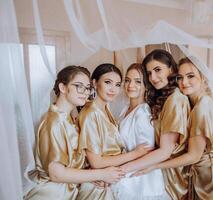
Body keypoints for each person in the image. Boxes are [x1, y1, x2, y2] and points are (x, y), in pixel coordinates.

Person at [134, 57, 213, 200]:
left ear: (203, 78)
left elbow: (194, 155)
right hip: (203, 176)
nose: (184, 82)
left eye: (191, 76)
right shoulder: (193, 102)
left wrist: (155, 165)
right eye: (180, 77)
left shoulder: (202, 109)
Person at [25, 66, 125, 200]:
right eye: (79, 86)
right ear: (63, 88)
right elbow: (56, 174)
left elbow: (73, 163)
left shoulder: (68, 119)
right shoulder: (53, 122)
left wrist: (92, 175)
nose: (85, 92)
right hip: (51, 194)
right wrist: (101, 174)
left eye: (87, 87)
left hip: (69, 192)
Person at [121, 50, 191, 200]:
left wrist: (122, 170)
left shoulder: (175, 99)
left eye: (158, 70)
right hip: (156, 165)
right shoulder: (165, 97)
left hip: (169, 172)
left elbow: (165, 151)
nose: (153, 77)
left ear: (171, 68)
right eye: (149, 73)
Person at [76, 63, 152, 200]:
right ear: (94, 83)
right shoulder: (90, 113)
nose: (113, 89)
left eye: (117, 84)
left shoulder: (106, 109)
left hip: (111, 179)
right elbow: (96, 162)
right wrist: (135, 153)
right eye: (108, 82)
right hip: (98, 188)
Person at [112, 63, 169, 199]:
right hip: (127, 173)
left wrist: (121, 171)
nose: (130, 85)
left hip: (140, 181)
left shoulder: (143, 113)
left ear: (146, 86)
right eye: (127, 80)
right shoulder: (125, 109)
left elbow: (147, 151)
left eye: (138, 81)